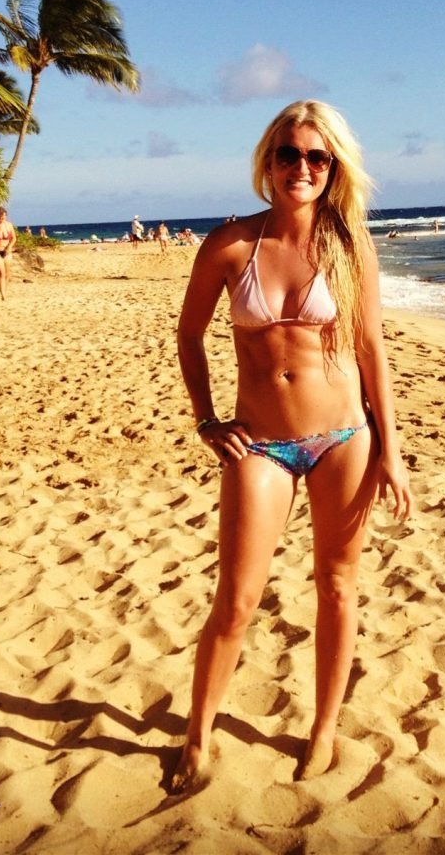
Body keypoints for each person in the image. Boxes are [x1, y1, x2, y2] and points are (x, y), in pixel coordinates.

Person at [172, 100, 412, 792]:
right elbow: (189, 335)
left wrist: (392, 449)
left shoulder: (349, 245)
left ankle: (324, 730)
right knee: (237, 599)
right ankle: (197, 737)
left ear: (333, 167)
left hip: (345, 437)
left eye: (316, 157)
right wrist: (207, 419)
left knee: (337, 586)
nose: (300, 168)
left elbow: (371, 349)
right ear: (267, 162)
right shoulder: (229, 245)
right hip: (262, 445)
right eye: (288, 154)